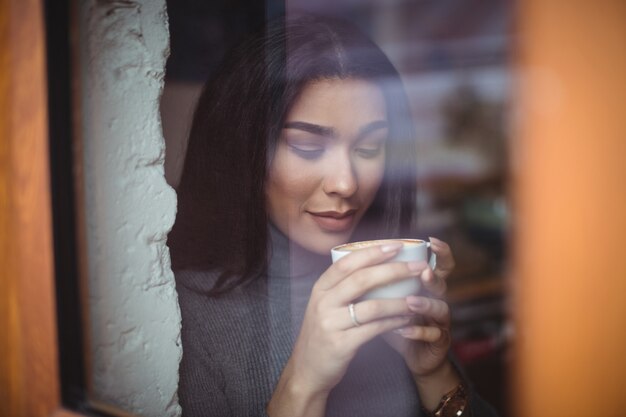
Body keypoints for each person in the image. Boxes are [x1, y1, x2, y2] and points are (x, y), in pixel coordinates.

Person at [168, 14, 499, 417]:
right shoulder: (186, 313)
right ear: (245, 151)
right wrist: (305, 384)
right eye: (308, 147)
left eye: (369, 147)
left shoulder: (391, 281)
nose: (346, 183)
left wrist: (433, 373)